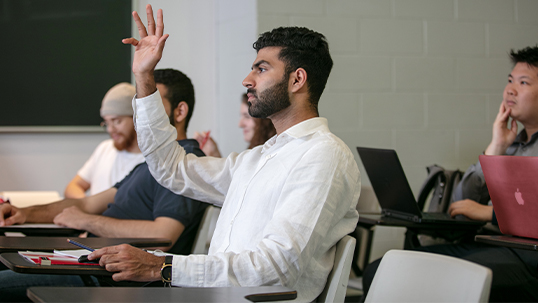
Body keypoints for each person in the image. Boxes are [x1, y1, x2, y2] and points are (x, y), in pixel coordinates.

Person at [89, 5, 360, 303]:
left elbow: (275, 269)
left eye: (261, 68)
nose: (247, 79)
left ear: (297, 80)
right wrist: (143, 76)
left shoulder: (323, 155)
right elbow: (170, 168)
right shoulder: (259, 158)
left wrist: (163, 266)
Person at [0, 68, 209, 301]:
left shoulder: (187, 163)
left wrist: (88, 222)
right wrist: (22, 214)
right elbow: (88, 203)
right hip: (88, 263)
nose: (143, 115)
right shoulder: (151, 164)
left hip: (107, 279)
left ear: (180, 112)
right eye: (141, 106)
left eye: (154, 105)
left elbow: (164, 234)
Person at [361, 45, 538, 302]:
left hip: (528, 259)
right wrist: (496, 147)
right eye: (510, 80)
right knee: (380, 270)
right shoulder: (511, 143)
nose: (510, 89)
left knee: (409, 280)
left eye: (523, 83)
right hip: (490, 245)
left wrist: (490, 213)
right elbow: (462, 199)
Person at [64, 83, 145, 199]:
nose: (110, 129)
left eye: (116, 121)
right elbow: (73, 186)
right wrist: (89, 205)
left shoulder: (151, 161)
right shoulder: (105, 149)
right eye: (106, 123)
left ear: (136, 118)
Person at [194, 93, 276, 157]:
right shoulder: (253, 154)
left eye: (247, 117)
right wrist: (214, 154)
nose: (240, 124)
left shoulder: (273, 155)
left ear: (265, 119)